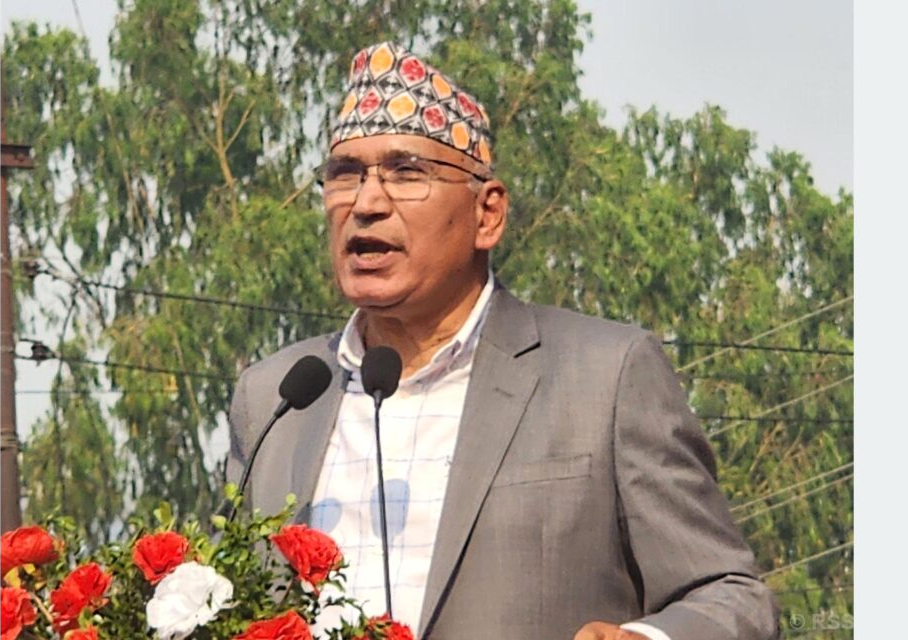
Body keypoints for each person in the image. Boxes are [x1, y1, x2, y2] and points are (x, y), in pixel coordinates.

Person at [227, 41, 779, 640]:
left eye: (406, 173)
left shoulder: (606, 377)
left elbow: (732, 597)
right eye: (344, 175)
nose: (366, 203)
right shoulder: (275, 399)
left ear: (487, 214)